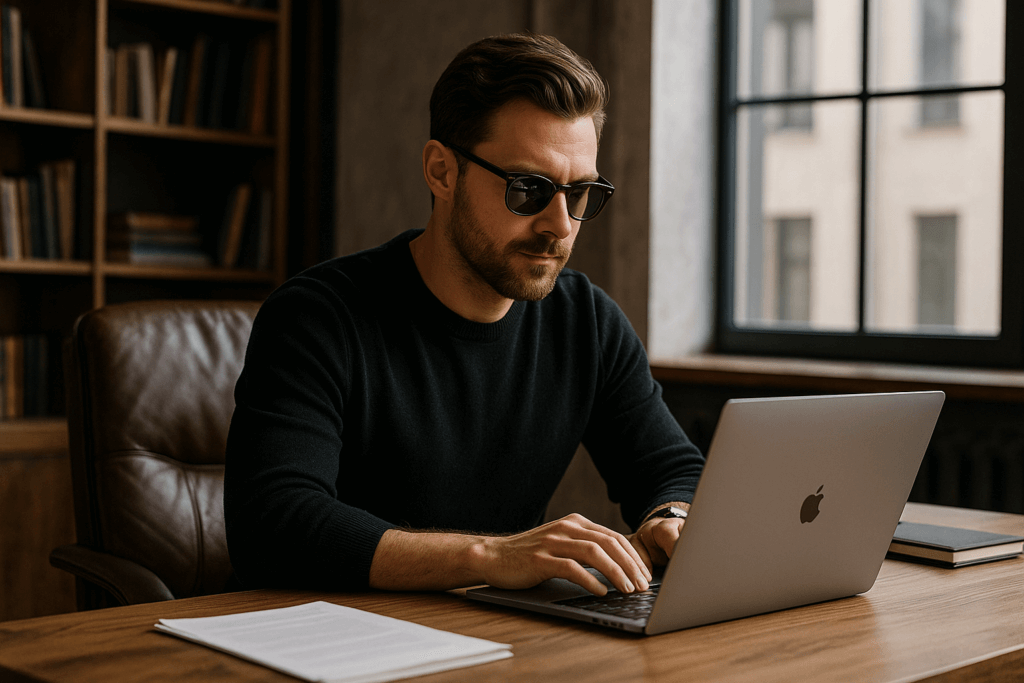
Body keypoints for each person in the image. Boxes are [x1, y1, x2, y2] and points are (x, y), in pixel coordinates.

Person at [224, 32, 705, 598]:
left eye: (579, 194)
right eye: (529, 189)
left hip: (501, 632)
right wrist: (490, 556)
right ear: (442, 172)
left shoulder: (587, 322)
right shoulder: (317, 317)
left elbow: (675, 470)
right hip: (333, 629)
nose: (560, 225)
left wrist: (672, 516)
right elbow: (274, 524)